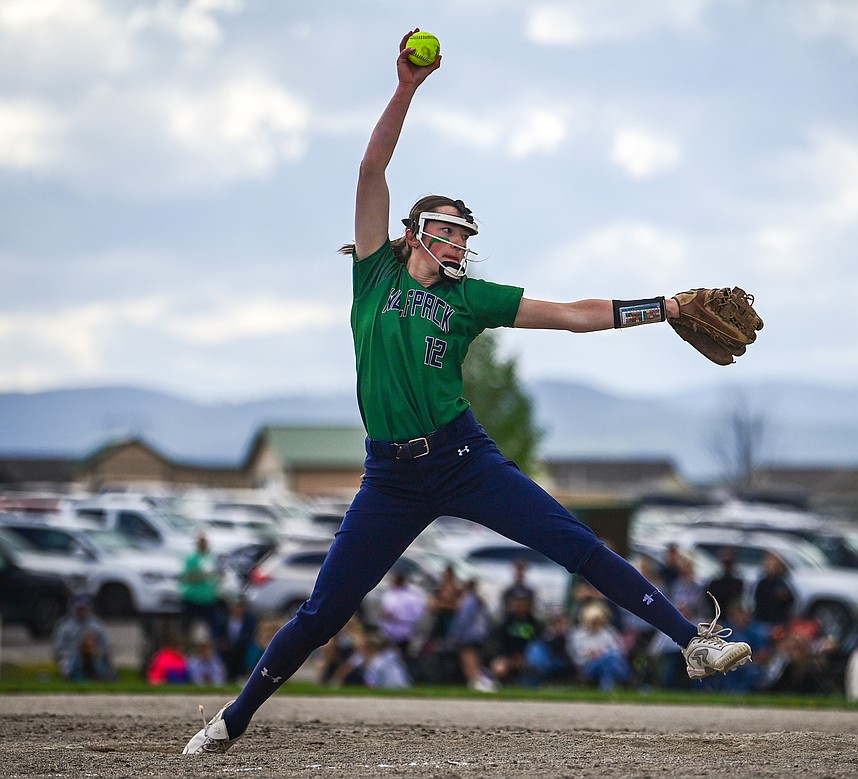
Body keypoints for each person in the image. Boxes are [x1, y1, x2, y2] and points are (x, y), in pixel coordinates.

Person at [182, 29, 751, 755]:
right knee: (326, 608)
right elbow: (370, 165)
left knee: (574, 541)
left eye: (463, 235)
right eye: (446, 232)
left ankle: (692, 641)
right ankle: (233, 718)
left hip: (462, 456)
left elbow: (573, 316)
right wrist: (407, 88)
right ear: (415, 233)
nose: (457, 245)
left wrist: (665, 307)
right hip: (392, 475)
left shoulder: (471, 298)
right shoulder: (375, 276)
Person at [567, 602, 630, 692]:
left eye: (598, 622)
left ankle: (606, 689)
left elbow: (619, 651)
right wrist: (589, 654)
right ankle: (624, 679)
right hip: (588, 666)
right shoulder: (578, 635)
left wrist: (602, 653)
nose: (596, 625)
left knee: (608, 666)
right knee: (611, 658)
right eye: (593, 622)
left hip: (607, 663)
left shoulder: (608, 633)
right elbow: (575, 657)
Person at [51, 595, 116, 682]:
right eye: (79, 608)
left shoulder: (97, 624)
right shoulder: (64, 625)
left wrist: (96, 651)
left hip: (93, 655)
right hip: (71, 656)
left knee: (99, 659)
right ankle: (72, 676)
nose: (81, 611)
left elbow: (105, 645)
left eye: (83, 608)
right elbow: (58, 647)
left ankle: (100, 675)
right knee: (67, 662)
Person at [180, 533, 223, 641]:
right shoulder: (192, 559)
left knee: (214, 628)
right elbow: (188, 576)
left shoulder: (211, 558)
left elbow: (216, 575)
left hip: (208, 599)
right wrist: (204, 575)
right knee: (187, 627)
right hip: (192, 598)